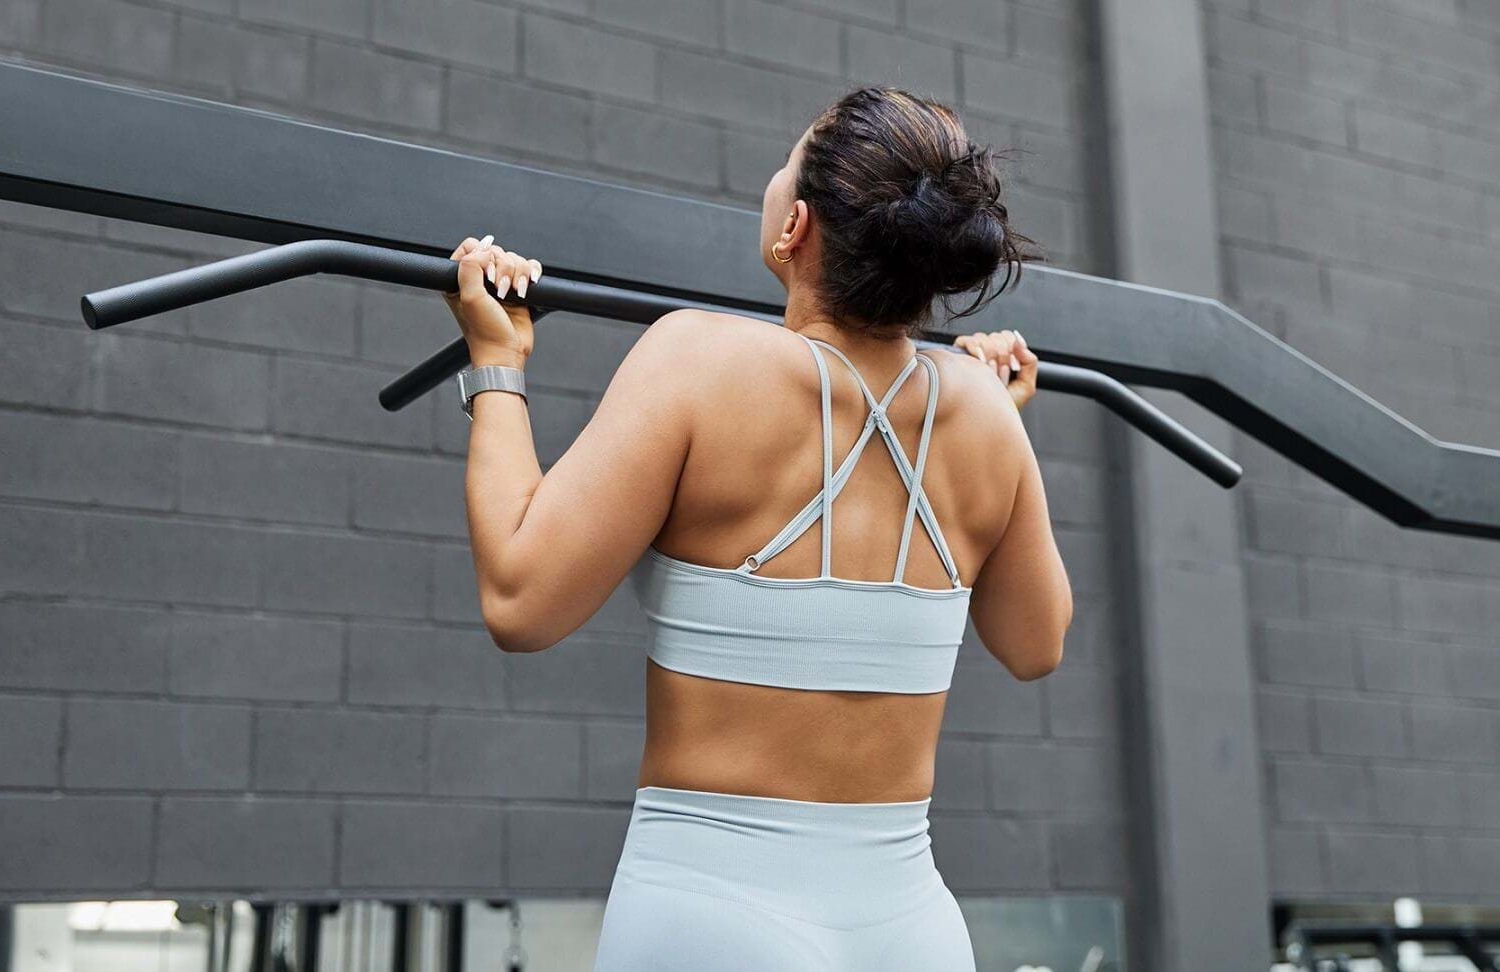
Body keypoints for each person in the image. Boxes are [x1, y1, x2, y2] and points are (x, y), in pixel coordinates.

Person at [441, 86, 1073, 971]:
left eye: (784, 164)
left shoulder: (697, 360)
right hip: (912, 934)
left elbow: (519, 598)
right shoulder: (983, 414)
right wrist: (995, 431)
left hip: (707, 918)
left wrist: (496, 368)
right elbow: (1034, 641)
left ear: (795, 228)